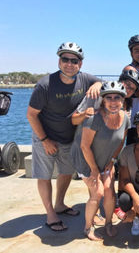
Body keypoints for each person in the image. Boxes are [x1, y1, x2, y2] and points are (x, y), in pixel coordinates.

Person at [26, 42, 102, 232]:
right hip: (45, 135)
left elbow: (101, 82)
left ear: (80, 64)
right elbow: (31, 114)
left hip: (68, 137)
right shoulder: (45, 85)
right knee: (44, 175)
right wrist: (44, 140)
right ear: (59, 61)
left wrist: (98, 84)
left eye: (74, 60)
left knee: (66, 172)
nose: (69, 64)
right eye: (65, 59)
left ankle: (60, 204)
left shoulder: (85, 79)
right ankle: (50, 213)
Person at [70, 81, 128, 240]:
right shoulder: (93, 118)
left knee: (110, 191)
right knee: (98, 192)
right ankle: (87, 228)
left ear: (123, 100)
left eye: (117, 97)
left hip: (106, 159)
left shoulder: (125, 119)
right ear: (102, 100)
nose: (113, 101)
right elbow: (84, 146)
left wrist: (113, 158)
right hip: (85, 159)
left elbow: (121, 141)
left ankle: (108, 223)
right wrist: (94, 171)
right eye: (109, 97)